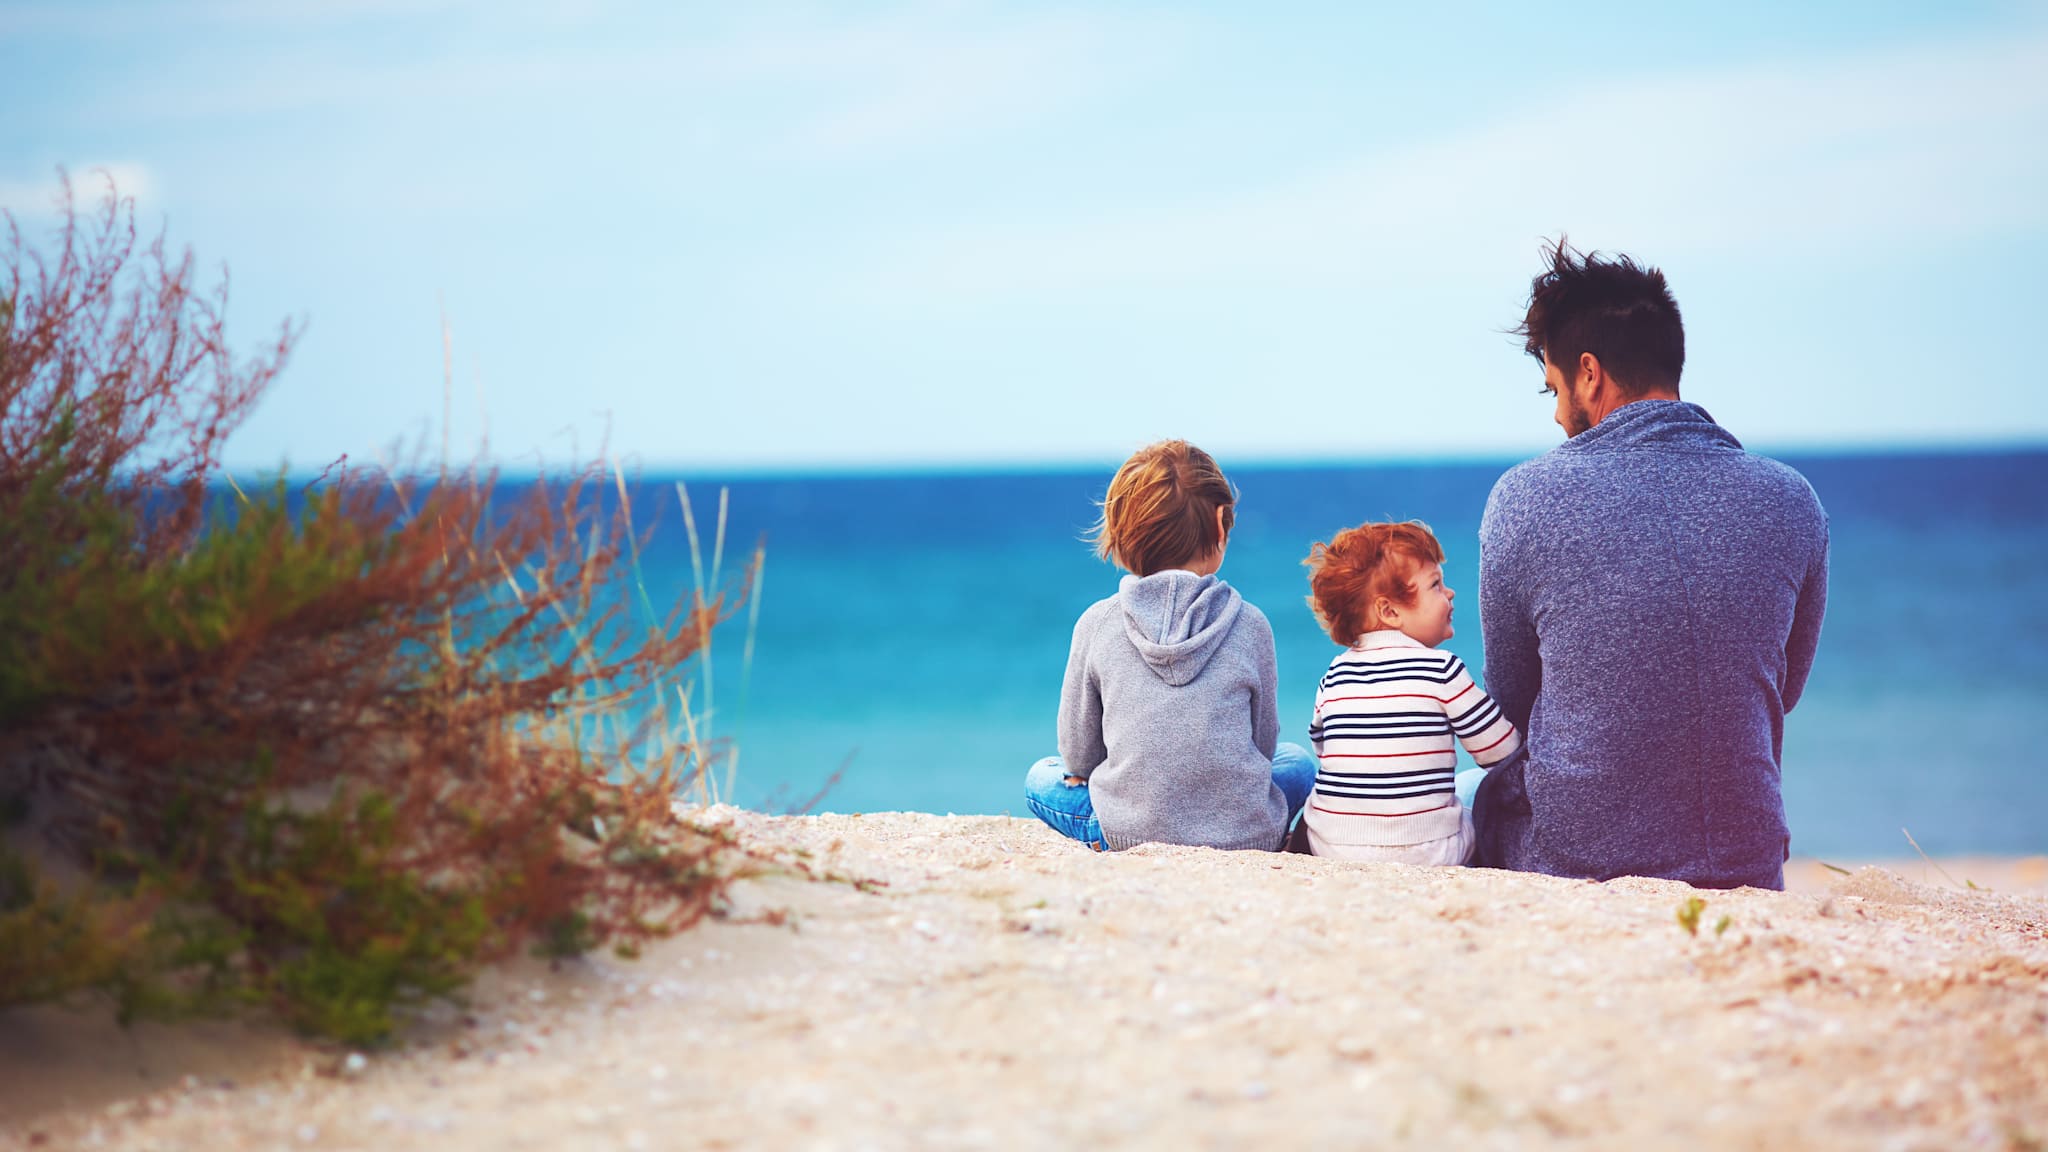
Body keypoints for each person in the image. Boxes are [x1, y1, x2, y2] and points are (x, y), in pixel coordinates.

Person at [1472, 239, 1829, 890]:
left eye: (1552, 388)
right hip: (1746, 862)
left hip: (1578, 864)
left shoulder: (1524, 499)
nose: (1556, 414)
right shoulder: (1791, 500)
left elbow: (1513, 709)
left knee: (1472, 786)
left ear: (1588, 374)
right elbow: (1782, 688)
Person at [1024, 439, 1316, 852]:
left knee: (1042, 776)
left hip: (1127, 831)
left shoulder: (1097, 623)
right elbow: (1263, 746)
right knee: (1297, 763)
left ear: (1119, 533)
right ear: (1220, 523)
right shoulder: (1251, 624)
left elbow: (1079, 756)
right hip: (1245, 833)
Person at [1297, 521, 1523, 863]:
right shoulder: (1442, 669)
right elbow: (1501, 753)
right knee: (1473, 786)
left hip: (1331, 847)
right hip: (1433, 853)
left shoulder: (1335, 673)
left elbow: (1323, 747)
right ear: (1389, 611)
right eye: (1435, 585)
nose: (1450, 594)